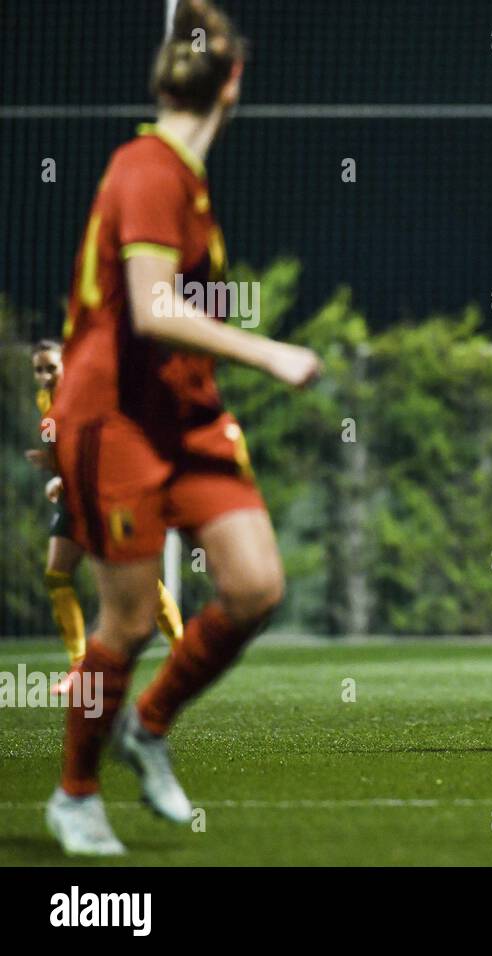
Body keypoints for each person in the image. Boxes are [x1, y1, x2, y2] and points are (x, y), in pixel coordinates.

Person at [45, 0, 322, 856]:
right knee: (125, 624)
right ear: (233, 83)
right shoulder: (149, 168)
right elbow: (152, 308)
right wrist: (268, 352)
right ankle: (75, 794)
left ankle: (150, 725)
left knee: (255, 587)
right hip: (115, 418)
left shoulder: (184, 176)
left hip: (184, 414)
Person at [27, 340, 185, 696]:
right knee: (56, 574)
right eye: (38, 369)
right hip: (75, 496)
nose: (44, 375)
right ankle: (79, 665)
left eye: (51, 367)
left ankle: (181, 647)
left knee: (138, 579)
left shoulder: (87, 397)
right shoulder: (45, 403)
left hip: (105, 496)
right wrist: (58, 474)